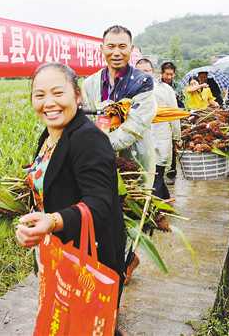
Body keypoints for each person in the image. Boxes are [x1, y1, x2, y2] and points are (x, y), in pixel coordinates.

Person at [14, 63, 127, 319]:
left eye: (58, 93)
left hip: (89, 255)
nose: (48, 102)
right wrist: (34, 226)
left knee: (86, 324)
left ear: (77, 96)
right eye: (39, 95)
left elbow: (101, 203)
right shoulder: (49, 136)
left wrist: (52, 221)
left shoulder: (88, 138)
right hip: (58, 250)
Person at [82, 25, 157, 189]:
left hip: (136, 158)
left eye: (122, 47)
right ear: (102, 49)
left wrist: (100, 145)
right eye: (111, 46)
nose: (116, 52)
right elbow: (87, 121)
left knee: (137, 207)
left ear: (131, 49)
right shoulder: (90, 83)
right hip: (99, 161)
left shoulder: (143, 82)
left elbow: (135, 124)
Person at [135, 58, 181, 200]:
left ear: (153, 72)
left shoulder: (165, 90)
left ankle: (156, 210)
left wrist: (177, 137)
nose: (144, 74)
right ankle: (165, 199)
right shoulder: (131, 90)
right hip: (141, 140)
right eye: (140, 71)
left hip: (161, 139)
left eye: (147, 71)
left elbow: (174, 116)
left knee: (157, 173)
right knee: (151, 174)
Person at [160, 61, 181, 183]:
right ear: (162, 73)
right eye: (167, 74)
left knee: (173, 147)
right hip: (161, 122)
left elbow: (182, 103)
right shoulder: (156, 86)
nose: (169, 77)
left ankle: (171, 174)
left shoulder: (177, 86)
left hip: (175, 119)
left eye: (171, 74)